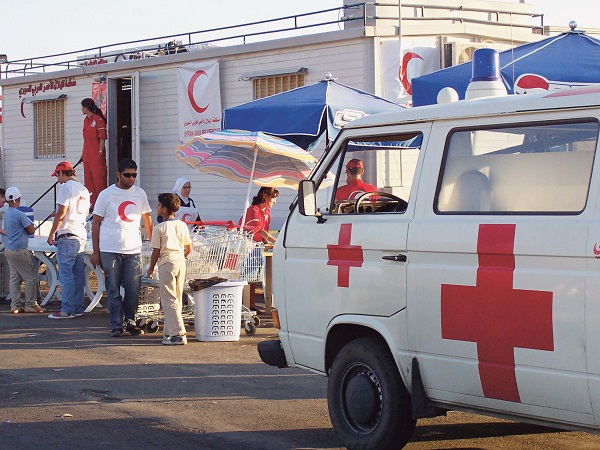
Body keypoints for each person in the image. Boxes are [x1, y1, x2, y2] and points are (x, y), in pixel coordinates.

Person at [90, 158, 153, 337]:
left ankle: (130, 321)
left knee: (133, 288)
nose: (131, 179)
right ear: (118, 175)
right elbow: (96, 223)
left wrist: (153, 242)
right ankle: (116, 324)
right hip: (109, 248)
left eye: (134, 175)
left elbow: (147, 219)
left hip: (133, 248)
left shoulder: (139, 194)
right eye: (127, 175)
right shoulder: (106, 194)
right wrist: (96, 251)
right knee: (113, 288)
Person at [46, 161, 91, 319]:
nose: (57, 179)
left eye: (57, 175)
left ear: (61, 173)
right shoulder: (84, 189)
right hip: (80, 234)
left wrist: (52, 232)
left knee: (65, 275)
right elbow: (83, 213)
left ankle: (67, 309)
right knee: (78, 274)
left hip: (67, 234)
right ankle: (77, 307)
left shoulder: (65, 187)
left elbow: (62, 212)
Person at [147, 193, 192, 345]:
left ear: (164, 209)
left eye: (159, 205)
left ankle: (178, 334)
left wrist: (151, 268)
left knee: (168, 299)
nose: (156, 207)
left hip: (167, 262)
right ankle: (168, 332)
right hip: (180, 262)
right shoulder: (182, 225)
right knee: (177, 298)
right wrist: (182, 257)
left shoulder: (159, 228)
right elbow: (189, 248)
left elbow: (156, 252)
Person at [1, 187, 45, 314]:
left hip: (9, 248)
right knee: (30, 277)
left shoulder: (7, 213)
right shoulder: (19, 214)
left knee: (15, 278)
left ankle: (15, 305)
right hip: (20, 250)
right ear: (18, 198)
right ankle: (30, 304)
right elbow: (31, 230)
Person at [239, 187, 278, 310]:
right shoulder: (253, 210)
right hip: (246, 247)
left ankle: (251, 304)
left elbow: (264, 233)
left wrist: (267, 242)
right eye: (273, 198)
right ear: (265, 195)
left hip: (256, 246)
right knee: (247, 276)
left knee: (254, 276)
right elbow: (259, 230)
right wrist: (277, 241)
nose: (275, 202)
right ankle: (245, 305)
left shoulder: (267, 212)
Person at [80, 98, 108, 207]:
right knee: (89, 181)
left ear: (86, 108)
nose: (81, 109)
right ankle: (93, 204)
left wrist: (100, 151)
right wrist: (82, 154)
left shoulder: (98, 120)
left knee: (99, 180)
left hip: (96, 154)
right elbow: (85, 139)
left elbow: (102, 138)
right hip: (87, 154)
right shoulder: (86, 120)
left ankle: (102, 205)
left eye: (82, 107)